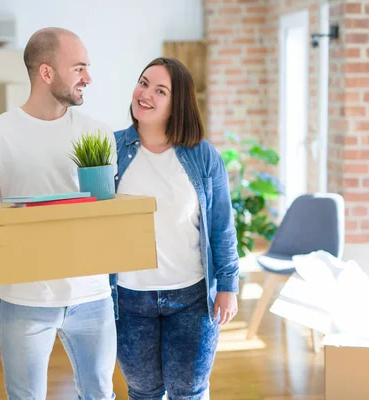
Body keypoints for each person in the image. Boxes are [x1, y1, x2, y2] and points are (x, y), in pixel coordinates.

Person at [0, 27, 117, 400]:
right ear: (46, 73)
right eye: (79, 68)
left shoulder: (98, 134)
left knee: (99, 393)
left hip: (92, 296)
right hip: (25, 299)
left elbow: (108, 213)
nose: (88, 78)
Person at [110, 57, 240, 400]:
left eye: (160, 90)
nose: (145, 93)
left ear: (177, 103)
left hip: (191, 298)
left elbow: (222, 226)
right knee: (143, 391)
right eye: (143, 82)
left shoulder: (202, 156)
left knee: (188, 391)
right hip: (129, 297)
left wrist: (228, 285)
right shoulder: (111, 150)